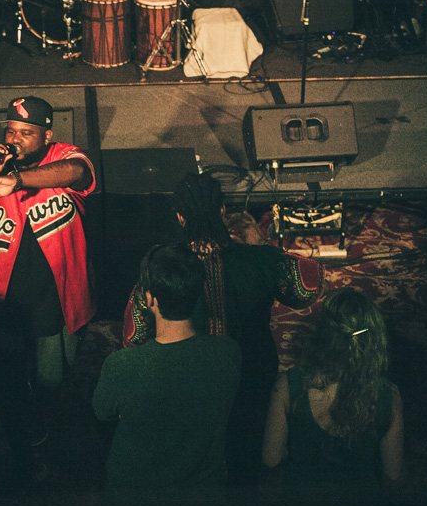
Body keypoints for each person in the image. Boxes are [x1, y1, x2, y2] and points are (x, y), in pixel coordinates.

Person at [123, 170, 323, 487]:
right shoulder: (260, 258)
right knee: (247, 456)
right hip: (252, 376)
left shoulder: (163, 267)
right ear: (222, 211)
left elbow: (133, 336)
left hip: (187, 383)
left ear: (179, 217)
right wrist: (260, 243)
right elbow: (307, 287)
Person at [0, 95, 96, 480]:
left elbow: (78, 173)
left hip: (51, 293)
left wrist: (19, 181)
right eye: (11, 131)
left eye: (27, 133)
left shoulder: (63, 155)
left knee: (49, 377)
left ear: (47, 135)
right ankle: (6, 437)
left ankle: (43, 424)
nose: (17, 139)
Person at [93, 244, 241, 495]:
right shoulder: (229, 353)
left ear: (149, 298)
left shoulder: (121, 365)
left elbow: (102, 413)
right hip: (202, 497)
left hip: (133, 499)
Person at [261, 287, 404, 496]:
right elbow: (392, 476)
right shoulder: (389, 395)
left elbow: (271, 460)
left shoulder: (288, 385)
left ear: (323, 334)